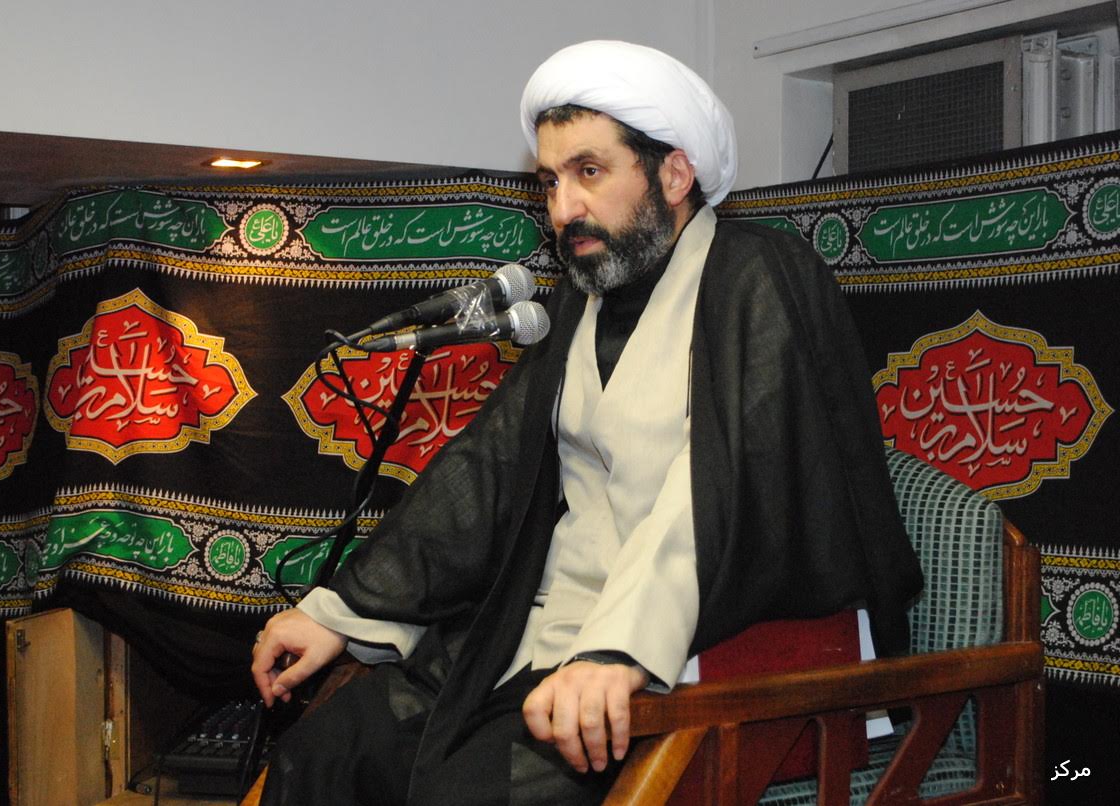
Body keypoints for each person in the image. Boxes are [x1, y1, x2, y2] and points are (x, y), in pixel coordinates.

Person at [251, 40, 923, 805]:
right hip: (544, 638)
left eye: (590, 172)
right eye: (551, 181)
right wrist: (340, 613)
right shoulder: (584, 299)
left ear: (674, 174)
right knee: (325, 754)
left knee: (467, 793)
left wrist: (618, 650)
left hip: (688, 652)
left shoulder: (758, 275)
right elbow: (489, 469)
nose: (564, 208)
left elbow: (727, 485)